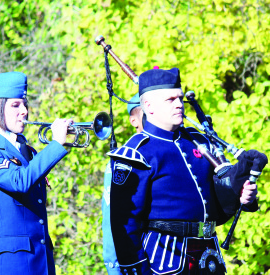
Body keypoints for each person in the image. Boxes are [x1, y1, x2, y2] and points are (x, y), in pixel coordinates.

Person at [107, 68, 259, 275]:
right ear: (149, 106)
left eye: (180, 98)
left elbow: (216, 207)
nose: (179, 104)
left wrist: (243, 197)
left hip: (209, 258)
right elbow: (124, 225)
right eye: (170, 99)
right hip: (164, 262)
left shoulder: (199, 141)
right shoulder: (136, 154)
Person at [0, 72, 72, 275]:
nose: (24, 111)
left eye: (25, 104)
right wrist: (55, 145)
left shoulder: (29, 151)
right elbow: (19, 181)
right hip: (12, 265)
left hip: (41, 262)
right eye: (16, 105)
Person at [102, 93, 144, 274]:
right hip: (141, 260)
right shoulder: (126, 159)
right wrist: (115, 266)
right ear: (134, 120)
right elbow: (112, 218)